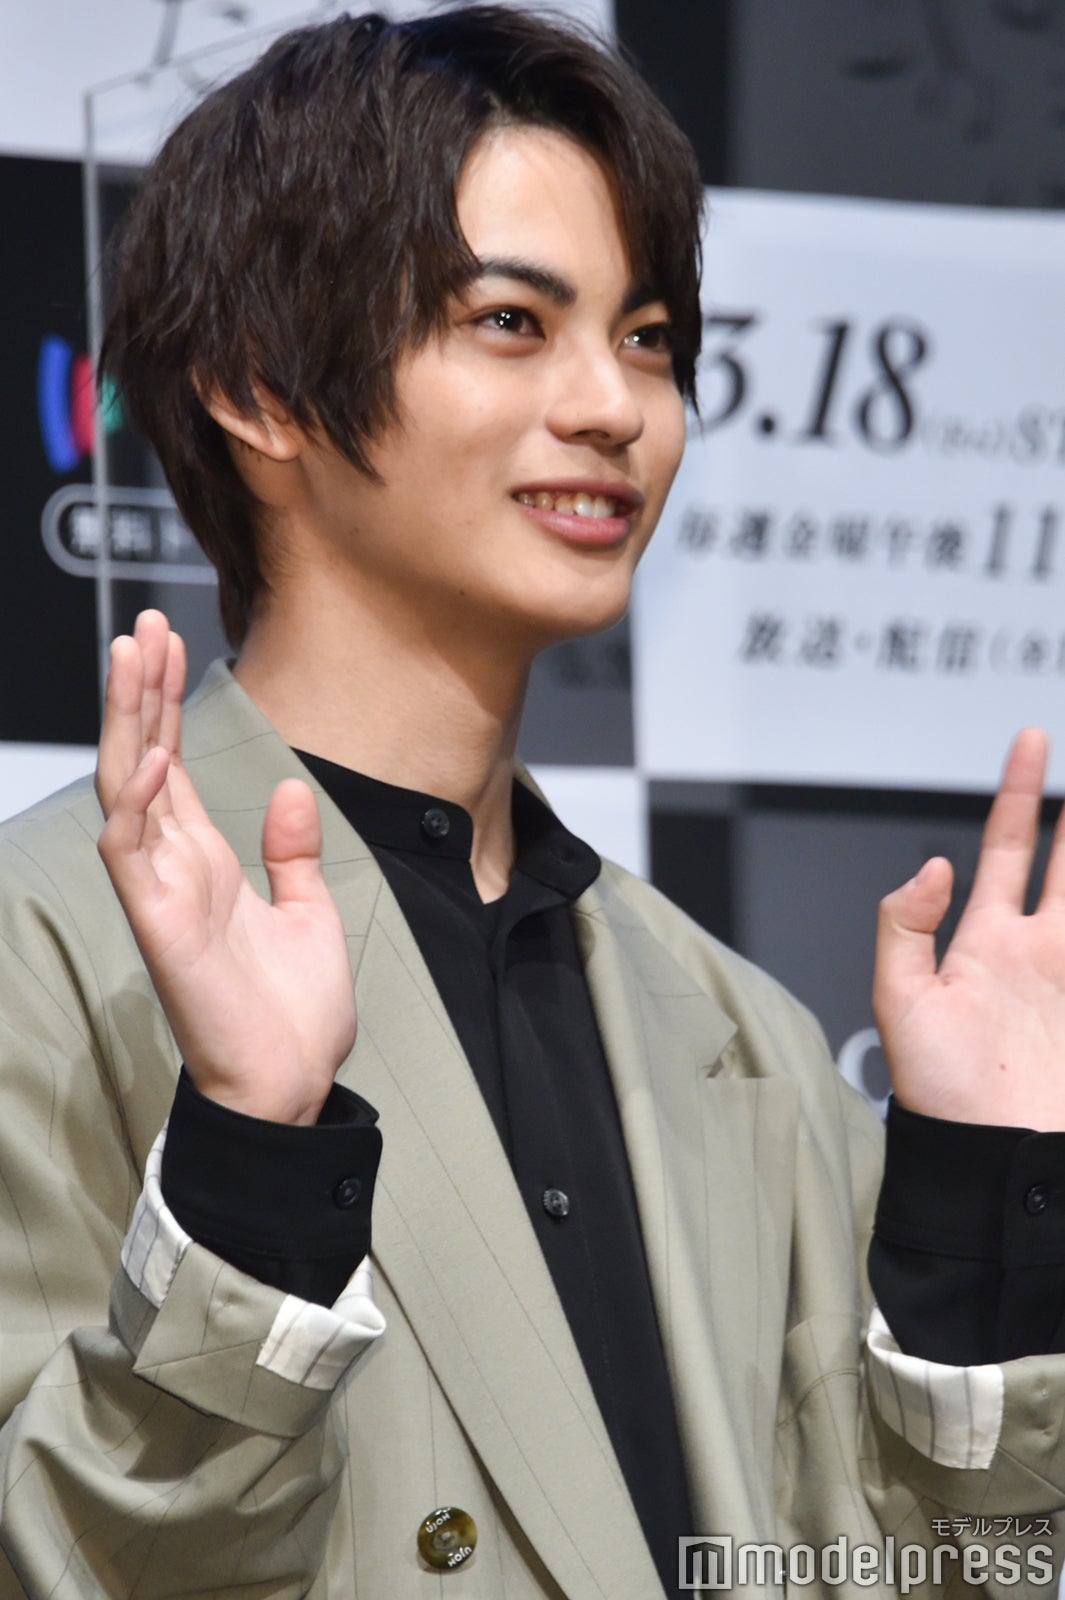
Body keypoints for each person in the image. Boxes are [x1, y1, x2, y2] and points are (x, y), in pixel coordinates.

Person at [1, 8, 1064, 1597]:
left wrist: (980, 1210)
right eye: (511, 322)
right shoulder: (42, 949)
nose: (613, 407)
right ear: (258, 389)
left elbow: (927, 1574)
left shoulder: (740, 1032)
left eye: (646, 338)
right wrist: (247, 1179)